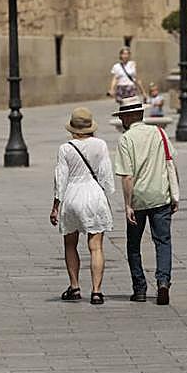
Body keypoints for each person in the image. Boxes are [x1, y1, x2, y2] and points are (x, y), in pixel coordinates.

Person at [113, 96, 178, 306]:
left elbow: (127, 176)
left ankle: (140, 288)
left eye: (122, 116)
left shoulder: (126, 139)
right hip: (160, 195)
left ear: (129, 117)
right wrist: (174, 194)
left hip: (138, 198)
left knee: (133, 245)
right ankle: (163, 282)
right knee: (163, 241)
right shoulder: (159, 133)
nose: (121, 120)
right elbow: (170, 162)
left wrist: (127, 205)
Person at [50, 107, 115, 306]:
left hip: (72, 195)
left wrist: (55, 205)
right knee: (96, 247)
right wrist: (105, 193)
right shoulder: (100, 145)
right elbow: (106, 174)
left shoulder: (65, 148)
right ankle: (96, 291)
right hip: (94, 194)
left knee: (70, 244)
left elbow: (61, 179)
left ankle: (75, 286)